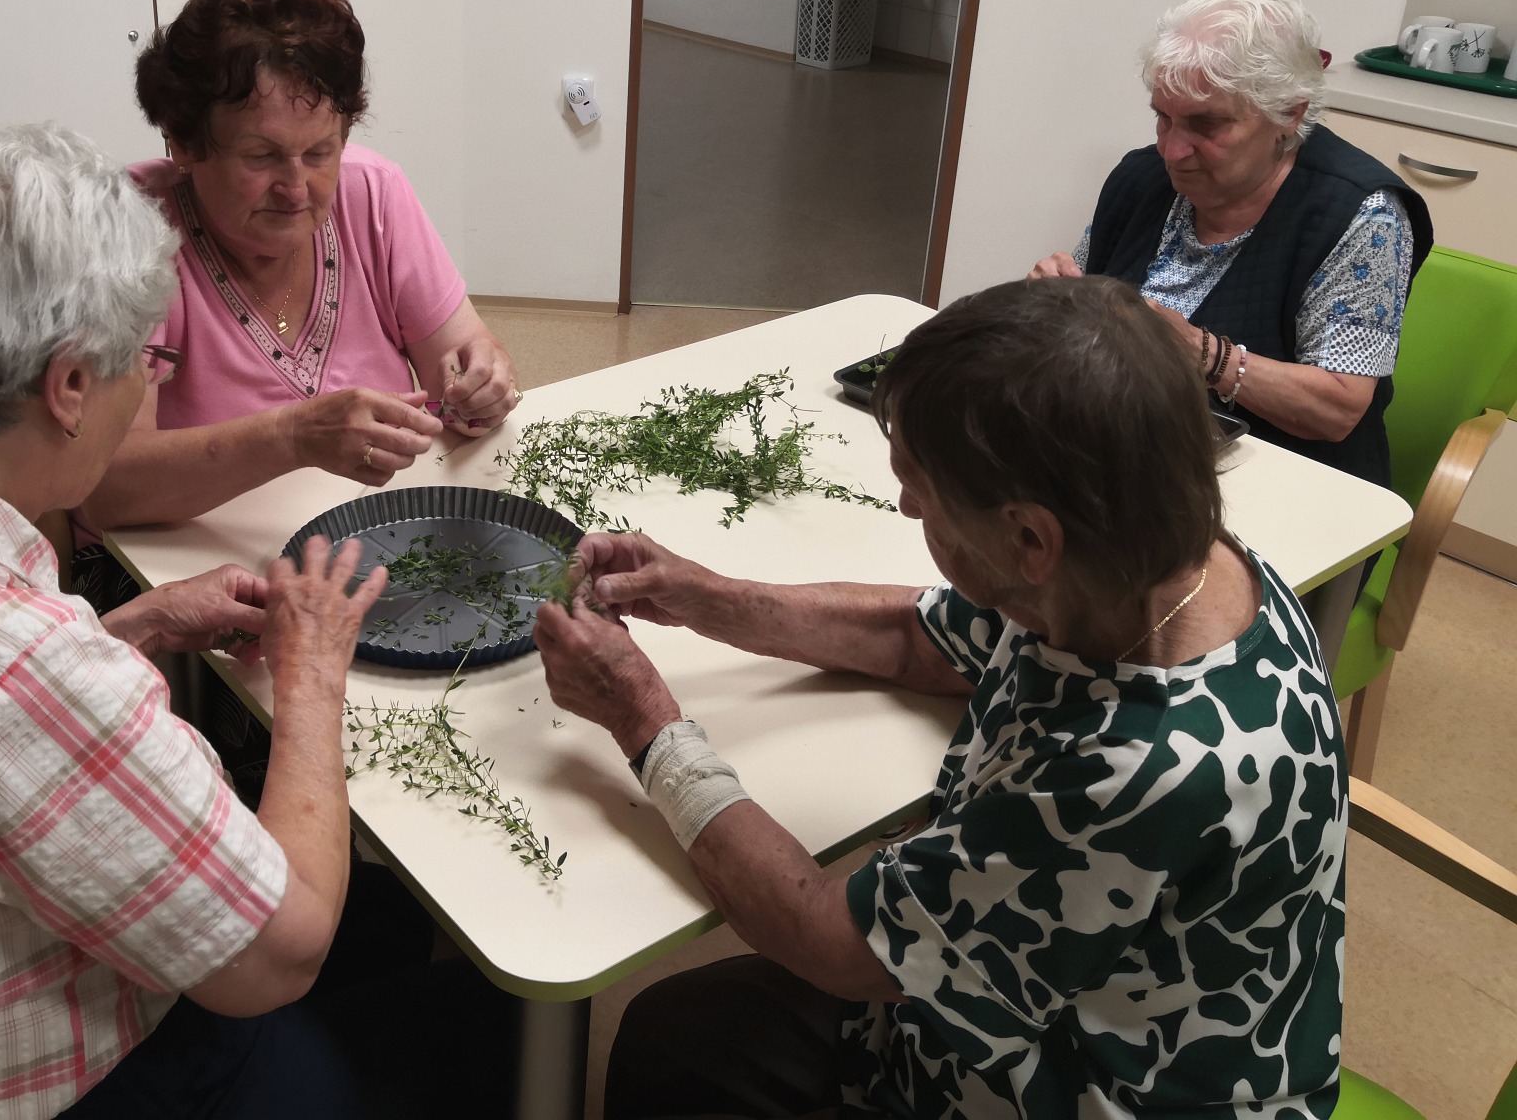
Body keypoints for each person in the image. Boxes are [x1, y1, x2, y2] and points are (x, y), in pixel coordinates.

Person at [0, 125, 513, 1120]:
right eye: (144, 364)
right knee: (484, 1011)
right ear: (69, 387)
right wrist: (313, 670)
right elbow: (277, 958)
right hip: (77, 1089)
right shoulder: (23, 669)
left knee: (383, 920)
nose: (146, 387)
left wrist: (133, 625)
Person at [533, 277, 1347, 1119]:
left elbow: (834, 945)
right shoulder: (1155, 561)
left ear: (1029, 538)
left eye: (922, 494)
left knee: (677, 1047)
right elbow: (919, 637)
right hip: (1026, 1008)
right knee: (683, 1033)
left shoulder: (1134, 771)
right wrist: (707, 597)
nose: (904, 504)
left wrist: (642, 717)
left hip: (1090, 1093)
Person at [78, 0, 521, 548]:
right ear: (183, 143)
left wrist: (482, 385)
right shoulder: (129, 229)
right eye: (261, 156)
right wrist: (291, 437)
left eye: (319, 152)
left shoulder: (373, 193)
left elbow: (463, 360)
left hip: (374, 540)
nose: (295, 188)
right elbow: (103, 486)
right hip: (187, 562)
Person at [1028, 0, 1432, 488]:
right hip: (1132, 456)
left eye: (1207, 125)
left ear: (1289, 114)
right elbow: (1084, 310)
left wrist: (1200, 352)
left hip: (1289, 484)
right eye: (1163, 117)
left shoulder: (1362, 215)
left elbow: (1338, 407)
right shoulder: (1141, 179)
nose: (1172, 150)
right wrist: (1054, 299)